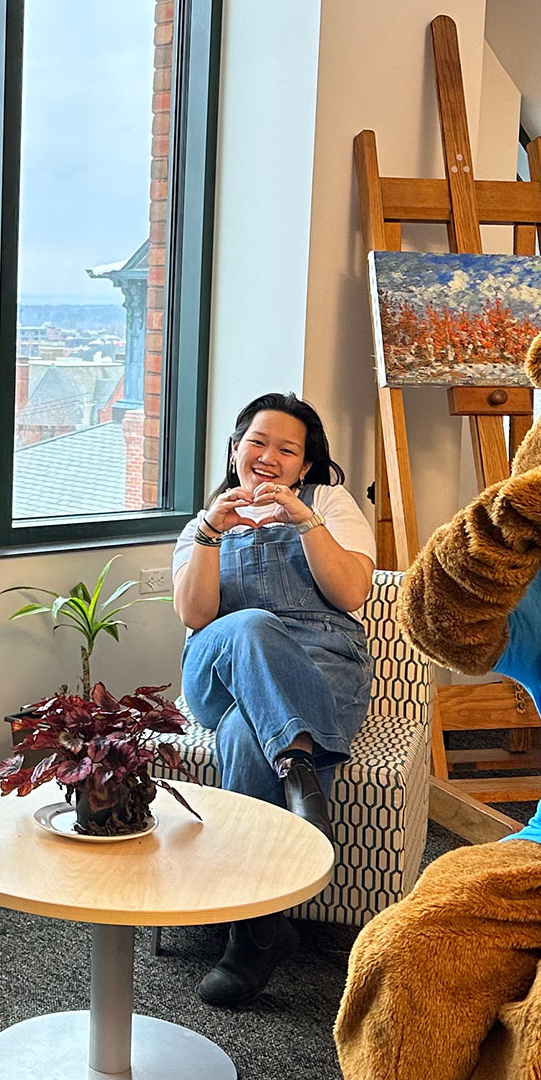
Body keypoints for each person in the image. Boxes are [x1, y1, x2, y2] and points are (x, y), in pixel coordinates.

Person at [171, 392, 376, 1007]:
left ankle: (254, 931)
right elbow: (196, 614)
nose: (269, 457)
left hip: (320, 669)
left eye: (288, 450)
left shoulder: (329, 504)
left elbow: (350, 594)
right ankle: (299, 763)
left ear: (306, 467)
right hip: (222, 672)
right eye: (257, 442)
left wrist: (303, 521)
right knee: (252, 624)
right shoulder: (203, 523)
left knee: (241, 734)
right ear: (235, 450)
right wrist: (210, 533)